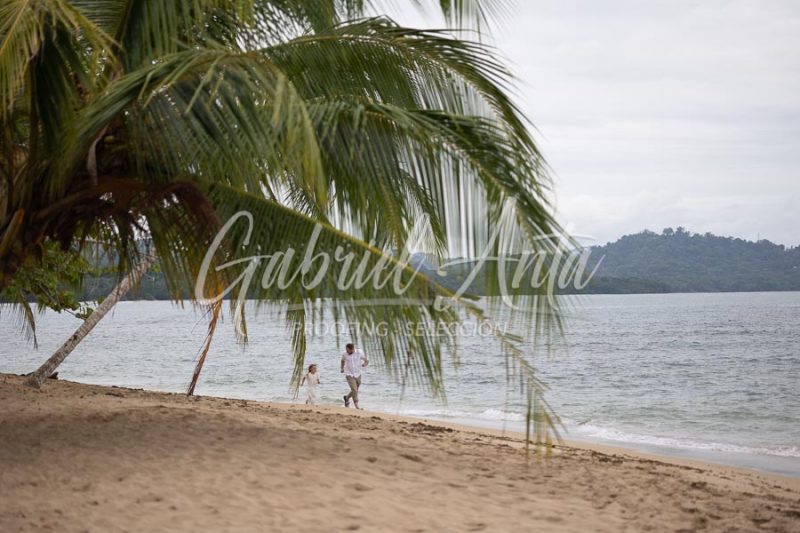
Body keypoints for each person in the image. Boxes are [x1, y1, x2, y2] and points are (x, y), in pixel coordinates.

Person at [340, 343, 368, 408]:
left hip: (358, 373)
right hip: (349, 373)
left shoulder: (359, 352)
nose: (346, 351)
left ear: (352, 349)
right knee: (354, 390)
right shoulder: (344, 354)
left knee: (355, 390)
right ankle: (356, 405)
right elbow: (342, 361)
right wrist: (342, 368)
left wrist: (365, 364)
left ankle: (346, 398)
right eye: (346, 350)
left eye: (348, 350)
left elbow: (366, 360)